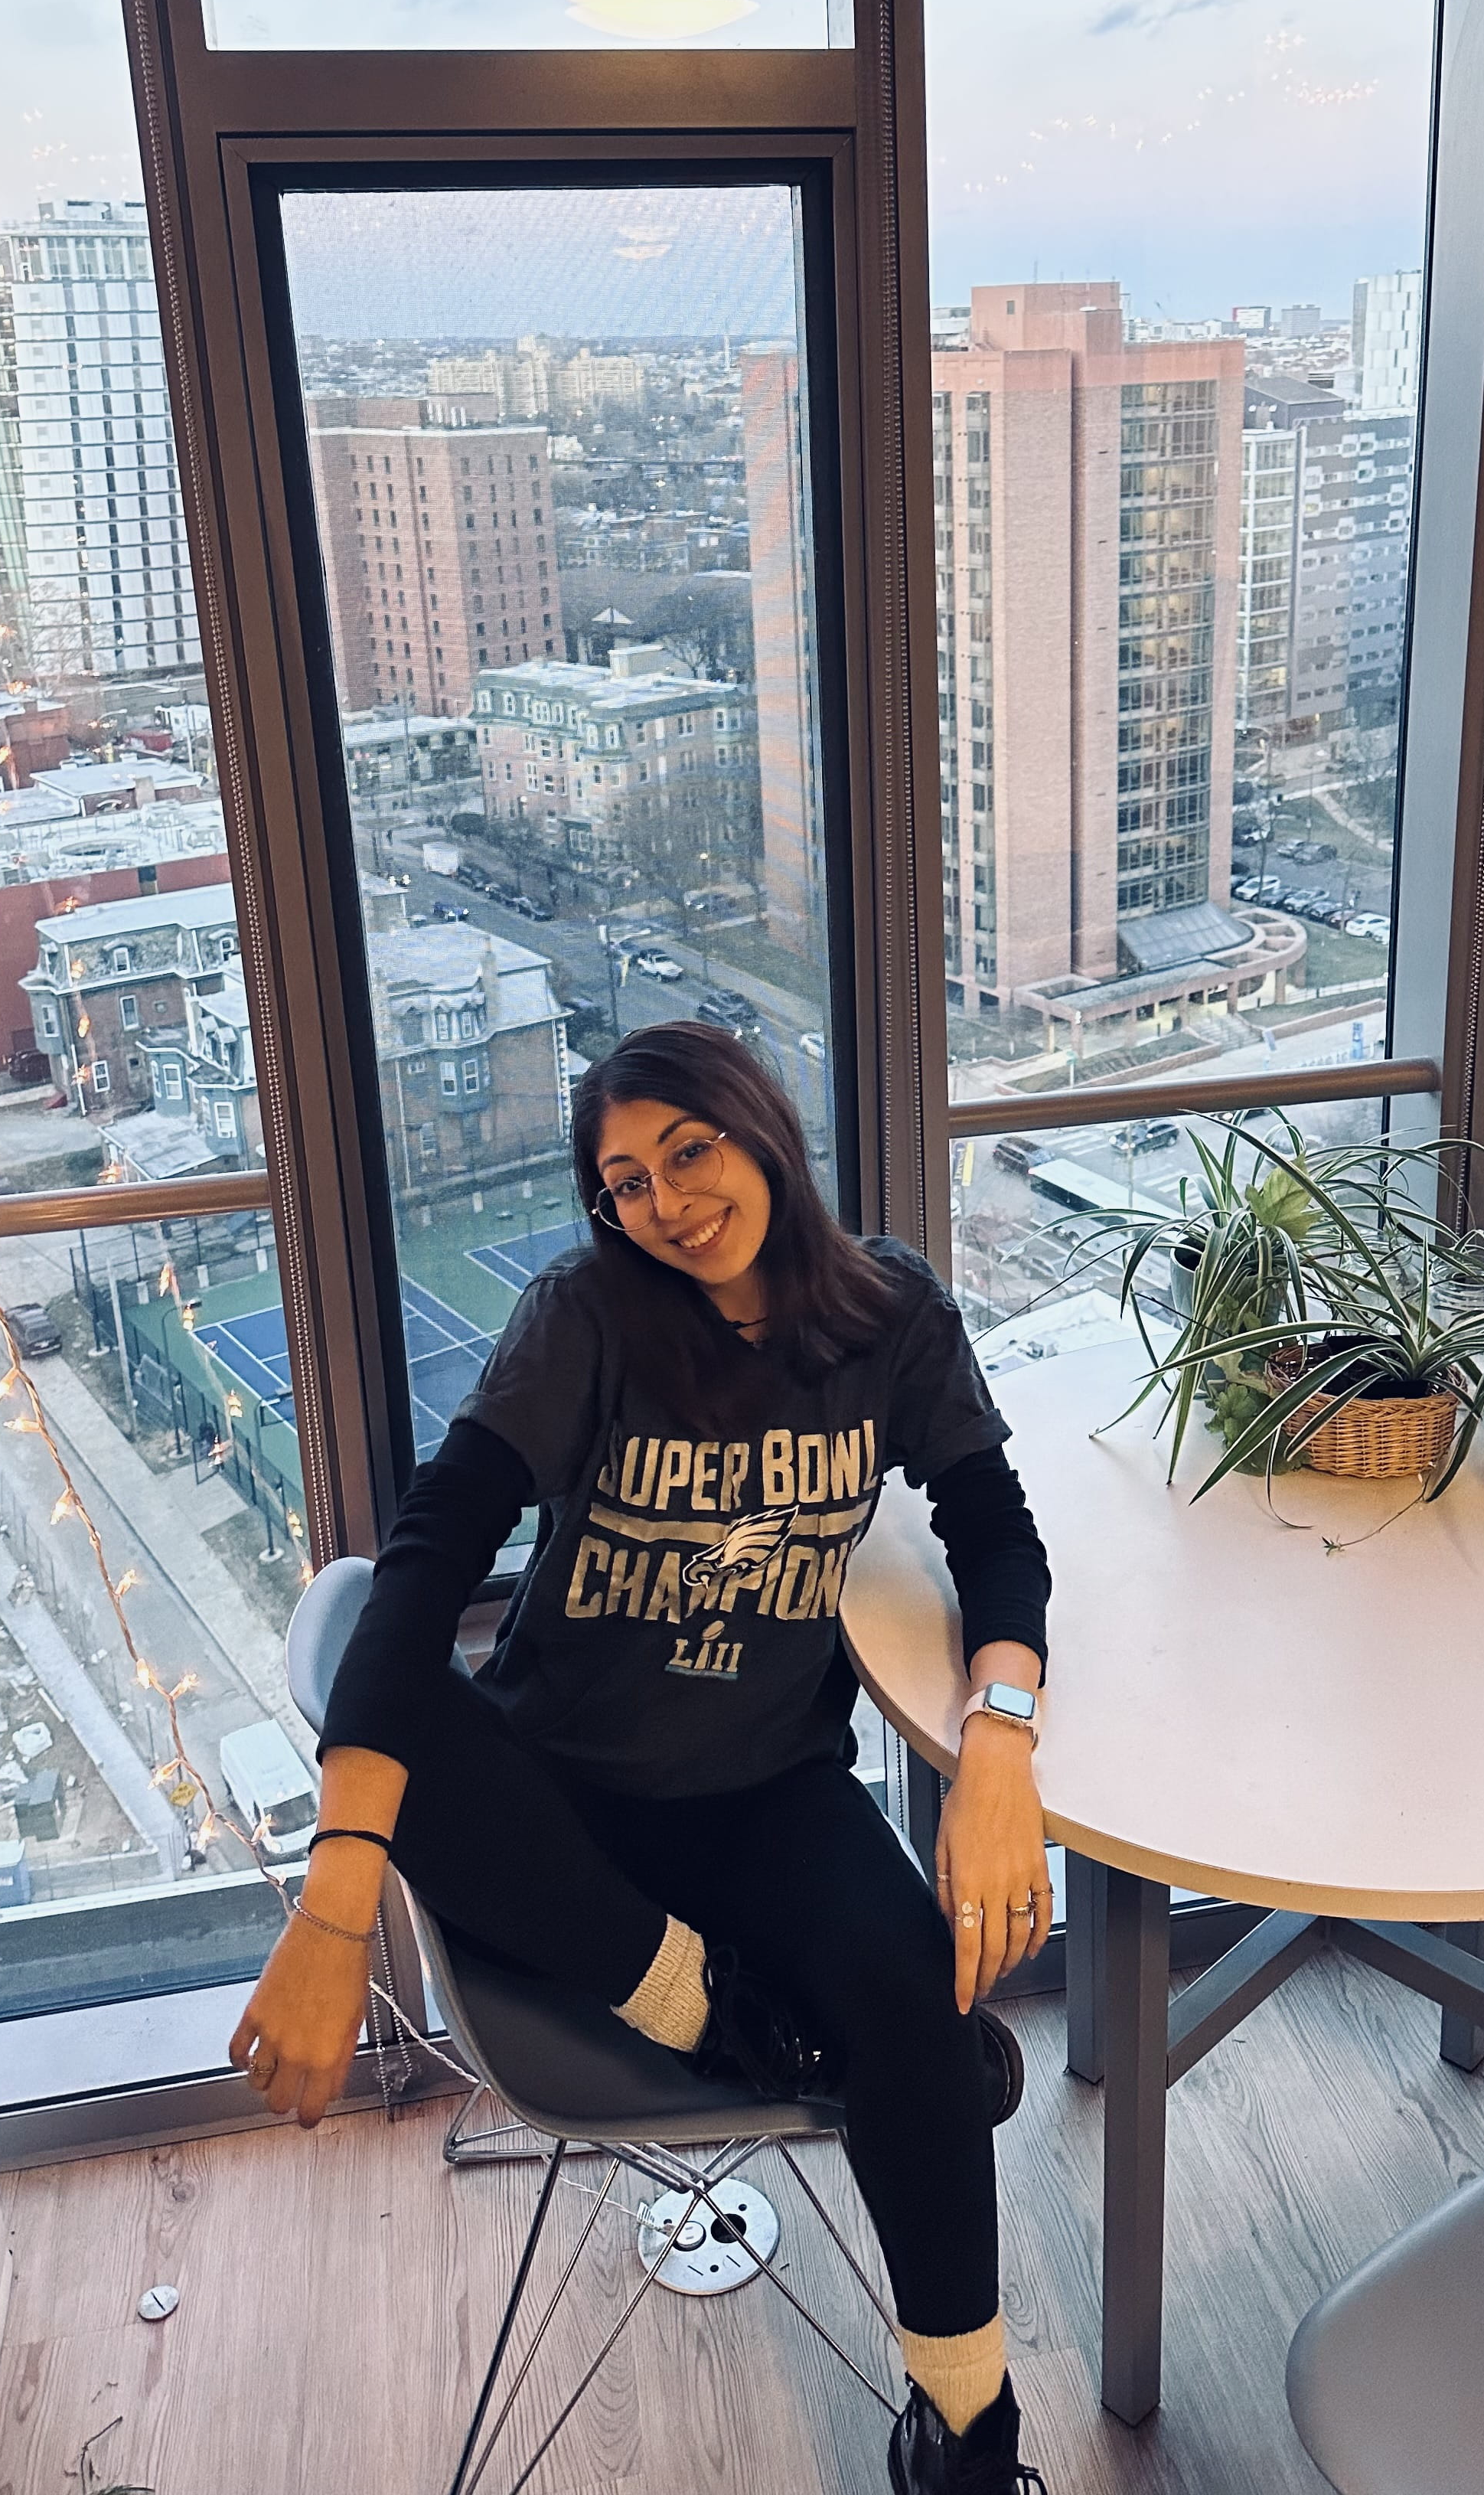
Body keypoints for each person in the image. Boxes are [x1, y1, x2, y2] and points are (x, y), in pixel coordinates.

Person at [231, 1022, 1054, 2495]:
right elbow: (424, 1562)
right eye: (624, 1180)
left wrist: (997, 1755)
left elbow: (994, 1535)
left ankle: (966, 2436)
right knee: (405, 1681)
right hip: (553, 1810)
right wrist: (333, 1900)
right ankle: (699, 2003)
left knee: (916, 2016)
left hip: (765, 1792)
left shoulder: (891, 1316)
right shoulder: (586, 1320)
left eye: (689, 1148)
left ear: (760, 1131)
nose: (667, 1200)